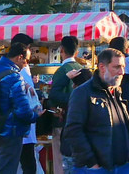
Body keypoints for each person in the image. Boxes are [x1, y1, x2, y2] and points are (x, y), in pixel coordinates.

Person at [62, 48, 129, 174]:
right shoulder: (83, 93)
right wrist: (92, 163)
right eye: (116, 67)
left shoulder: (116, 91)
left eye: (123, 67)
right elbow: (73, 130)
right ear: (102, 67)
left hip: (123, 166)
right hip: (98, 168)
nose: (122, 72)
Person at [0, 42, 41, 174]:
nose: (26, 64)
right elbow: (22, 110)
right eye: (26, 60)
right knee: (6, 169)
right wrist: (35, 115)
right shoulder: (14, 76)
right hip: (9, 130)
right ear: (19, 57)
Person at [49, 35, 86, 174]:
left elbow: (54, 95)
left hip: (62, 120)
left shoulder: (61, 71)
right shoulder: (81, 68)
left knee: (61, 161)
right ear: (77, 51)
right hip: (80, 121)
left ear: (61, 50)